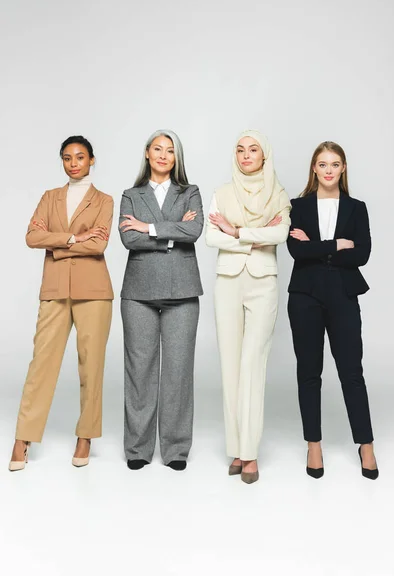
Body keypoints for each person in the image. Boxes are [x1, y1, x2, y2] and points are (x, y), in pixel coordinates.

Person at [9, 135, 113, 471]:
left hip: (94, 291)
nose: (73, 163)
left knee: (91, 366)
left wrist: (54, 244)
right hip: (54, 289)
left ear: (91, 160)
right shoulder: (49, 198)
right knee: (41, 364)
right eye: (67, 158)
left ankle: (85, 436)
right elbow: (31, 236)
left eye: (80, 157)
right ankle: (23, 438)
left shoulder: (105, 200)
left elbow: (98, 245)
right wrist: (70, 238)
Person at [287, 141, 379, 480]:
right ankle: (314, 443)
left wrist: (317, 248)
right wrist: (337, 245)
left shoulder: (357, 208)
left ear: (343, 169)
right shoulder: (297, 206)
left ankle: (365, 444)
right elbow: (296, 250)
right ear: (314, 168)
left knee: (351, 371)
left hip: (343, 294)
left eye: (335, 164)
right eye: (322, 164)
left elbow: (363, 254)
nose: (328, 170)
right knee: (309, 372)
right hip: (304, 295)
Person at [206, 130, 291, 484]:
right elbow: (212, 237)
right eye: (240, 150)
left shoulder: (279, 194)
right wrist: (253, 235)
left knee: (252, 363)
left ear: (264, 155)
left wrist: (236, 232)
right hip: (227, 281)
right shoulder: (221, 193)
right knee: (231, 365)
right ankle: (237, 448)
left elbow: (281, 234)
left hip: (262, 283)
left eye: (253, 149)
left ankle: (250, 453)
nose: (245, 155)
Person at [119, 130, 203, 472]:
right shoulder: (131, 195)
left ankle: (176, 449)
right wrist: (171, 233)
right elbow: (127, 238)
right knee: (139, 371)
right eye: (158, 149)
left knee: (178, 372)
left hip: (182, 291)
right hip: (138, 292)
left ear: (176, 157)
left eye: (170, 150)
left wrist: (149, 228)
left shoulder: (190, 192)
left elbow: (195, 232)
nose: (164, 155)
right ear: (147, 153)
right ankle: (138, 448)